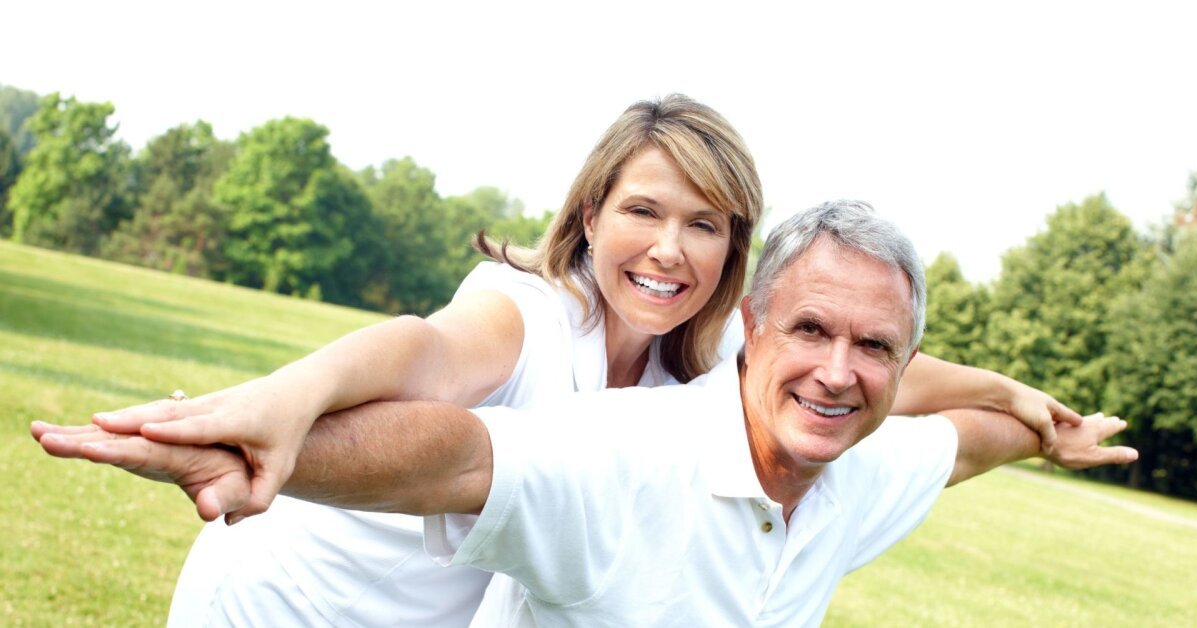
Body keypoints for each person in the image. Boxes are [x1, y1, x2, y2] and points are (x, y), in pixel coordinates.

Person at [40, 95, 1078, 626]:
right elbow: (424, 350)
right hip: (287, 602)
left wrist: (1019, 398)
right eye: (644, 211)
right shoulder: (527, 315)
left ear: (735, 252)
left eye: (705, 224)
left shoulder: (707, 364)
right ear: (590, 215)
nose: (669, 250)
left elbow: (867, 374)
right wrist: (285, 400)